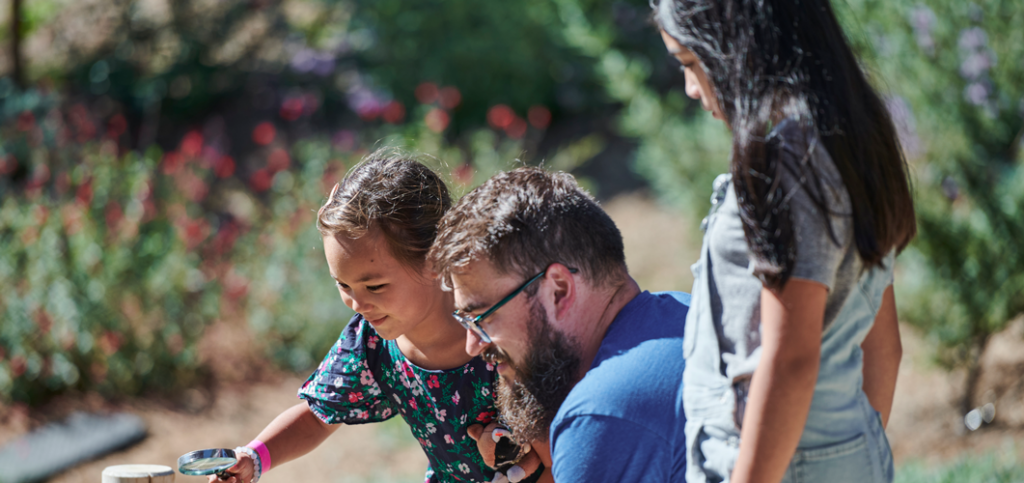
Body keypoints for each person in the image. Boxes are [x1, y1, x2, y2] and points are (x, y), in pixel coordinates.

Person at [653, 1, 916, 482]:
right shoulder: (847, 139)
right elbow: (884, 347)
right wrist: (845, 453)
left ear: (737, 44)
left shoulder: (789, 160)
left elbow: (790, 359)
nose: (691, 88)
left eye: (691, 63)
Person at [207, 149, 526, 483]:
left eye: (374, 286)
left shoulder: (497, 326)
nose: (357, 304)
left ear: (436, 257)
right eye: (343, 285)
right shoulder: (371, 343)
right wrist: (254, 458)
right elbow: (318, 416)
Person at [428, 167, 690, 482]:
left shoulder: (600, 417)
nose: (473, 344)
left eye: (481, 317)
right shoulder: (684, 311)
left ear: (558, 291)